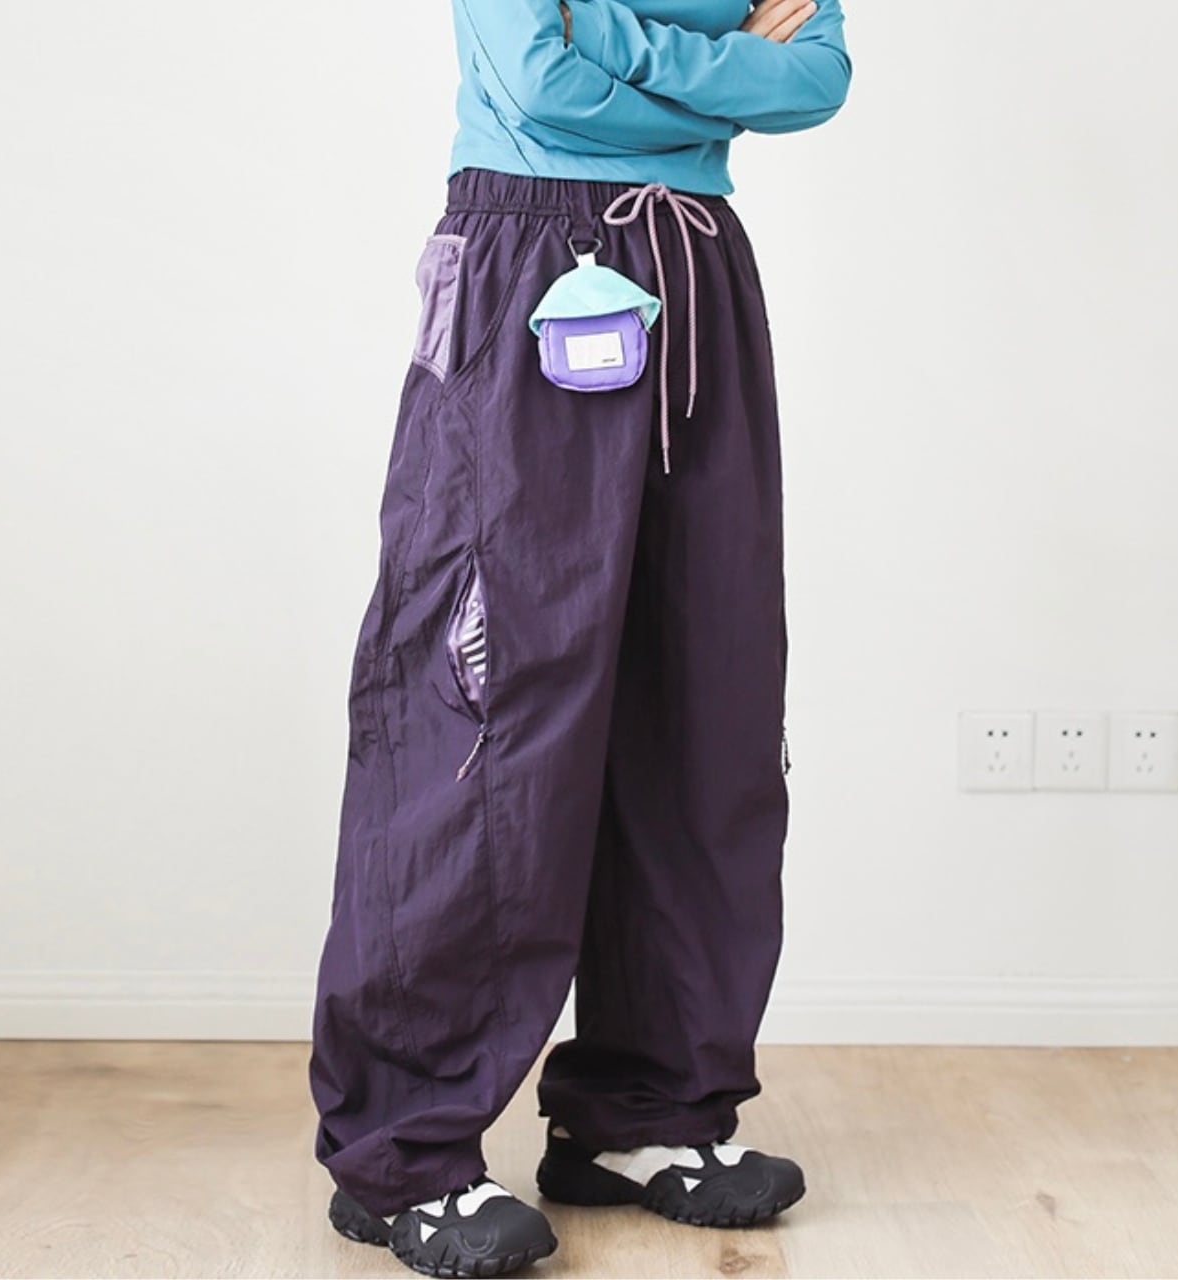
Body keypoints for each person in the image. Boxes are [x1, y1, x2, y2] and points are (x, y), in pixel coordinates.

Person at [307, 0, 853, 1274]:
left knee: (703, 703)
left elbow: (816, 79)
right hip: (526, 265)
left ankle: (644, 1105)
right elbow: (537, 84)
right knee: (488, 709)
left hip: (696, 277)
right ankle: (404, 1145)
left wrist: (606, 33)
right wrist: (726, 68)